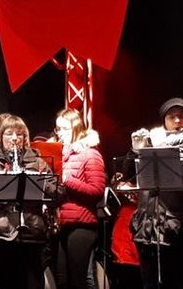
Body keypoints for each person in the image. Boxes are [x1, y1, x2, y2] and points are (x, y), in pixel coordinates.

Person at [128, 98, 183, 289]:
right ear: (164, 121)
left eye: (182, 116)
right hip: (147, 224)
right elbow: (128, 174)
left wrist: (160, 151)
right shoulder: (152, 140)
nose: (177, 121)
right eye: (171, 117)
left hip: (177, 224)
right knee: (149, 283)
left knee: (178, 281)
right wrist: (136, 150)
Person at [0, 113, 57, 289]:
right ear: (0, 137)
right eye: (9, 133)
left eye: (19, 134)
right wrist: (1, 195)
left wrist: (40, 184)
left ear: (25, 137)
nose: (15, 138)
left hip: (32, 235)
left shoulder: (38, 163)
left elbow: (57, 194)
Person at [52, 109, 105, 289]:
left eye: (65, 129)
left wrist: (67, 180)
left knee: (78, 280)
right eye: (58, 129)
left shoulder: (90, 154)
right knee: (62, 280)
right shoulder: (60, 156)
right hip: (63, 224)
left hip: (82, 224)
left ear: (76, 128)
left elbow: (97, 190)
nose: (60, 133)